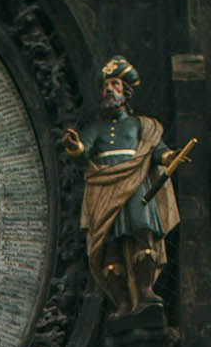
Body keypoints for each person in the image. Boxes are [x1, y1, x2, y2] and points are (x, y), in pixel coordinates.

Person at [62, 55, 183, 315]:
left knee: (143, 231)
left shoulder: (140, 125)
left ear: (125, 91)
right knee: (110, 245)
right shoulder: (97, 127)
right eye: (106, 86)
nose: (109, 90)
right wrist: (75, 147)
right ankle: (123, 301)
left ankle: (145, 290)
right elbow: (84, 151)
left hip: (135, 183)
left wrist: (170, 157)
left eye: (114, 85)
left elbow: (155, 150)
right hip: (105, 187)